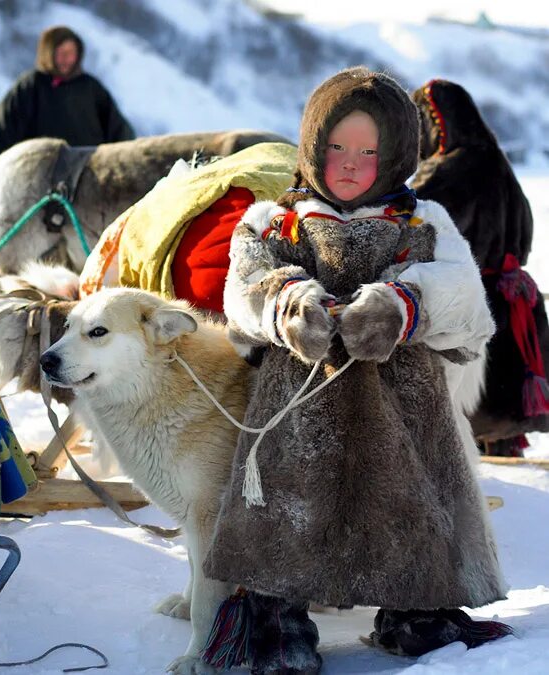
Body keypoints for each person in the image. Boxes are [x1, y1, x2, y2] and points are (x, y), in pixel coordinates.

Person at [202, 68, 510, 673]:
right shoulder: (273, 220)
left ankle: (417, 610)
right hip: (299, 400)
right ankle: (276, 620)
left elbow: (467, 302)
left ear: (397, 154)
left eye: (369, 152)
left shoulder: (424, 222)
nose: (349, 164)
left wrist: (402, 305)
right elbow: (243, 288)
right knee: (287, 506)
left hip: (403, 401)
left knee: (409, 499)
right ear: (314, 145)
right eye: (337, 147)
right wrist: (290, 303)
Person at [411, 78, 545, 457]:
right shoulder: (502, 166)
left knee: (458, 417)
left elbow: (411, 228)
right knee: (495, 420)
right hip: (512, 302)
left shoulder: (450, 169)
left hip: (470, 306)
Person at [0, 25, 135, 167]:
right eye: (61, 53)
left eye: (72, 53)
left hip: (87, 175)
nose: (67, 59)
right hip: (38, 174)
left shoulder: (91, 88)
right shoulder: (30, 86)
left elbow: (119, 131)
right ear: (48, 53)